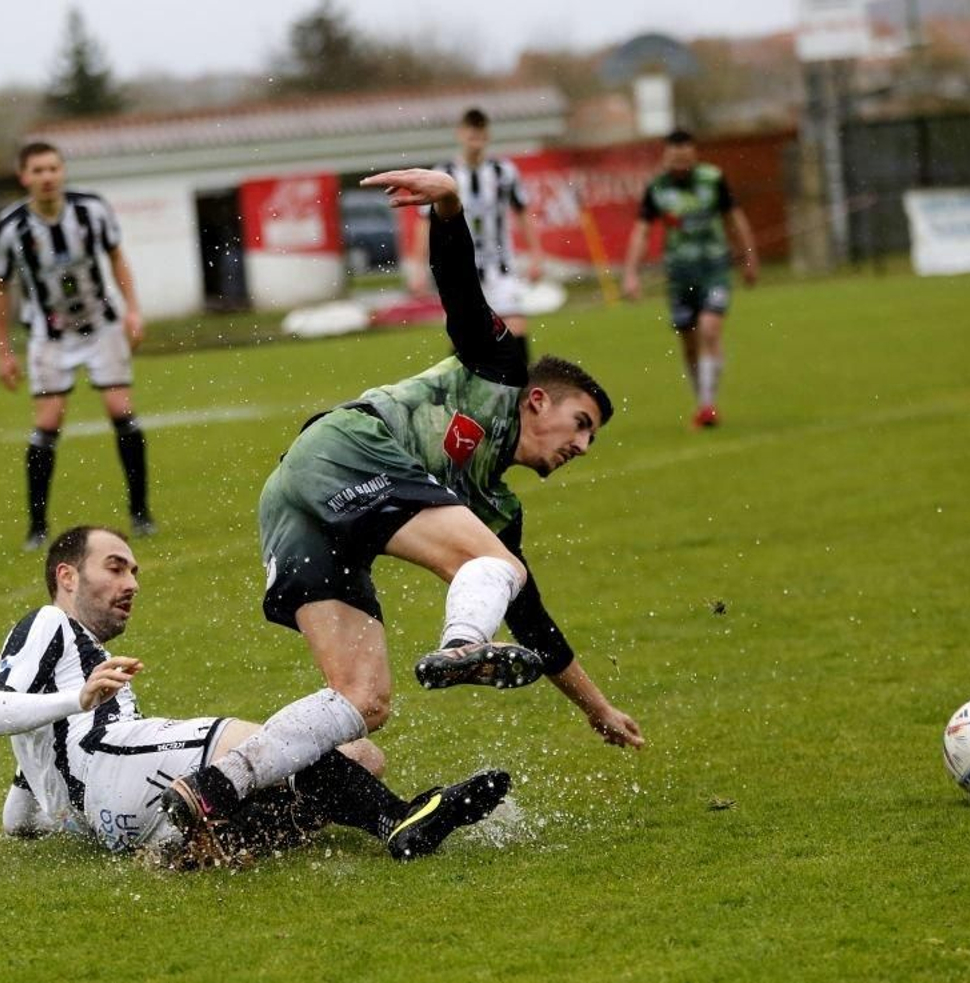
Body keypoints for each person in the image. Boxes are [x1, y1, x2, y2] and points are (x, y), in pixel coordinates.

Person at [160, 168, 644, 836]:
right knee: (497, 568)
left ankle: (214, 789)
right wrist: (447, 204)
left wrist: (597, 708)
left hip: (293, 504)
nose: (584, 444)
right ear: (539, 399)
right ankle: (463, 643)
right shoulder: (499, 369)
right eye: (583, 422)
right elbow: (459, 286)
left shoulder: (496, 509)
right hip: (347, 448)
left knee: (365, 700)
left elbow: (534, 623)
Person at [0, 524, 511, 865]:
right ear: (66, 575)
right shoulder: (50, 623)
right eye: (115, 567)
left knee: (362, 758)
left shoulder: (64, 693)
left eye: (134, 571)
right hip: (115, 760)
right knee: (293, 749)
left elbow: (19, 818)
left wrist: (54, 811)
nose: (131, 582)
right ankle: (397, 821)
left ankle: (194, 844)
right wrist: (79, 701)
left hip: (119, 817)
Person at [0, 141, 154, 551]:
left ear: (63, 172)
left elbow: (117, 258)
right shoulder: (10, 229)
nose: (47, 177)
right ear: (24, 177)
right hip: (49, 334)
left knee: (121, 411)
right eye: (38, 171)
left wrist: (133, 310)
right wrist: (3, 349)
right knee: (48, 422)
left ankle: (141, 512)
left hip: (100, 325)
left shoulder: (92, 211)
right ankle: (37, 526)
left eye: (53, 168)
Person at [620, 129, 759, 430]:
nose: (680, 166)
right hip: (679, 275)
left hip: (714, 269)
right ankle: (702, 401)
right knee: (689, 342)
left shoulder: (713, 179)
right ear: (665, 159)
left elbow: (735, 219)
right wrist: (631, 274)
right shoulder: (657, 188)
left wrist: (749, 258)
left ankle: (708, 406)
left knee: (710, 330)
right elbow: (642, 232)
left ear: (694, 155)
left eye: (685, 160)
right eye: (674, 161)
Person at [406, 107, 543, 356]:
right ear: (460, 134)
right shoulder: (444, 174)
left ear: (487, 134)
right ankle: (465, 392)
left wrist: (536, 255)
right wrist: (418, 269)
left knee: (516, 330)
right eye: (471, 130)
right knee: (465, 339)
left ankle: (518, 392)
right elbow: (425, 222)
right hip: (460, 269)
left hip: (500, 266)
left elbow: (522, 212)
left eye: (480, 130)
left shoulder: (504, 172)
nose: (476, 136)